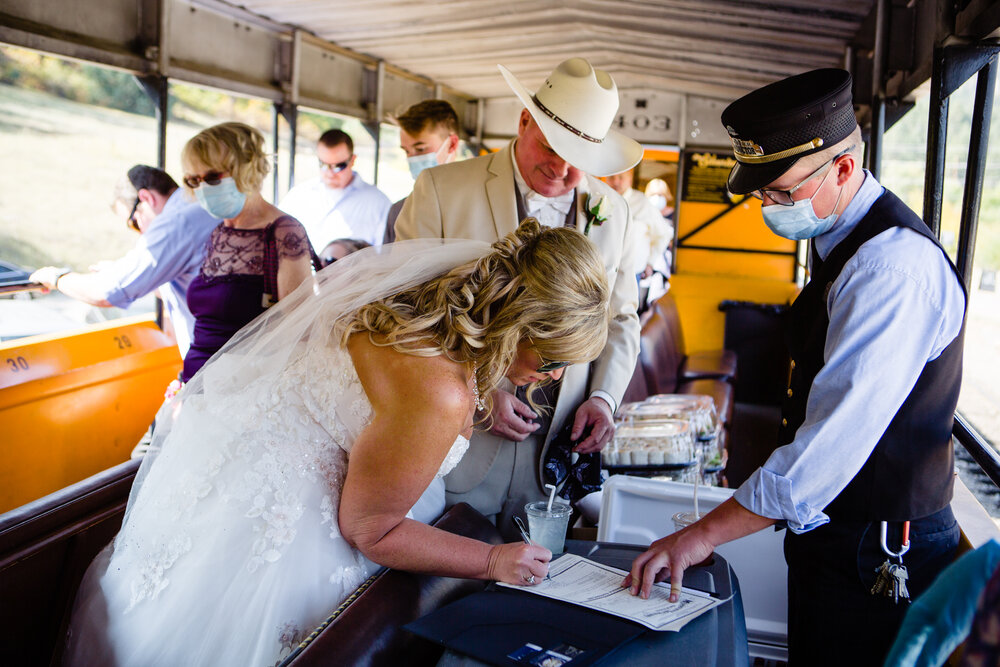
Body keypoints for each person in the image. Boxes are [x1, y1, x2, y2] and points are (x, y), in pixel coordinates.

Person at [64, 219, 611, 667]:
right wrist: (494, 560)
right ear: (513, 327)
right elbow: (371, 529)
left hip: (237, 459)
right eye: (553, 361)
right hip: (285, 521)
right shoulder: (439, 393)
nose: (555, 379)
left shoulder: (433, 289)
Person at [626, 69, 966, 666]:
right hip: (837, 533)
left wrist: (702, 533)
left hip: (878, 550)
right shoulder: (842, 236)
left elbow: (824, 453)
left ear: (841, 169)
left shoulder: (890, 272)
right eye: (762, 193)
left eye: (780, 192)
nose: (769, 206)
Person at [395, 57, 643, 540]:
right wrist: (476, 392)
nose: (563, 168)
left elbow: (621, 319)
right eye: (551, 146)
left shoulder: (614, 213)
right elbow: (407, 308)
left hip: (555, 451)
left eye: (580, 158)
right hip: (453, 438)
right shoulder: (440, 190)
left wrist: (603, 397)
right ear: (524, 120)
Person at [29, 165, 218, 357]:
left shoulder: (175, 224)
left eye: (134, 223)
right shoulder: (199, 206)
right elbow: (195, 286)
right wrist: (120, 270)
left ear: (146, 198)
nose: (141, 232)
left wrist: (56, 277)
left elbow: (104, 292)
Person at [181, 122, 314, 383]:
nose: (203, 188)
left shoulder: (284, 231)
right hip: (195, 380)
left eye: (212, 177)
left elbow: (300, 327)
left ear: (246, 171)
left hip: (243, 388)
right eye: (193, 180)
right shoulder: (220, 232)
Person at [279, 128, 392, 248]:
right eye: (323, 164)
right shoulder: (298, 195)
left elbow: (385, 255)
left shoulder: (378, 202)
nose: (330, 173)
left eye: (338, 166)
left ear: (352, 160)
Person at [384, 99, 462, 244]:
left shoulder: (478, 206)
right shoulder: (399, 211)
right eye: (407, 151)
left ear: (452, 144)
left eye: (421, 149)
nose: (412, 159)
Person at [605, 167, 673, 307]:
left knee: (624, 315)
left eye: (621, 177)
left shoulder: (642, 203)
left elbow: (663, 234)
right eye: (611, 177)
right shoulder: (600, 199)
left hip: (631, 272)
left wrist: (650, 262)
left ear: (629, 179)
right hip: (603, 271)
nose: (616, 181)